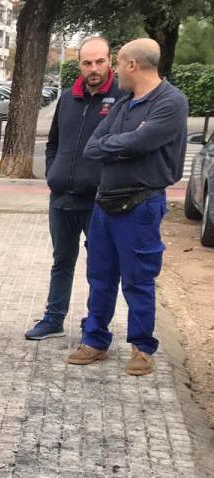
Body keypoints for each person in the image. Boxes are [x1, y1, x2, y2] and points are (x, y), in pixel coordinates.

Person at [68, 38, 189, 376]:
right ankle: (95, 340)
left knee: (138, 279)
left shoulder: (171, 102)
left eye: (117, 63)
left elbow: (142, 141)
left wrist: (123, 144)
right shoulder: (124, 105)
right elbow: (94, 146)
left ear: (133, 65)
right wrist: (126, 144)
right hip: (104, 204)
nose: (114, 70)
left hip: (141, 204)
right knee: (99, 276)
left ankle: (141, 348)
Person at [26, 36, 123, 340]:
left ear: (111, 61)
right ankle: (53, 319)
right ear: (79, 64)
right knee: (61, 261)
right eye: (87, 62)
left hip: (98, 202)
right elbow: (54, 141)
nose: (93, 68)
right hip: (61, 199)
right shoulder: (67, 98)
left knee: (100, 268)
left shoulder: (122, 98)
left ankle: (94, 326)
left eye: (99, 61)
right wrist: (53, 173)